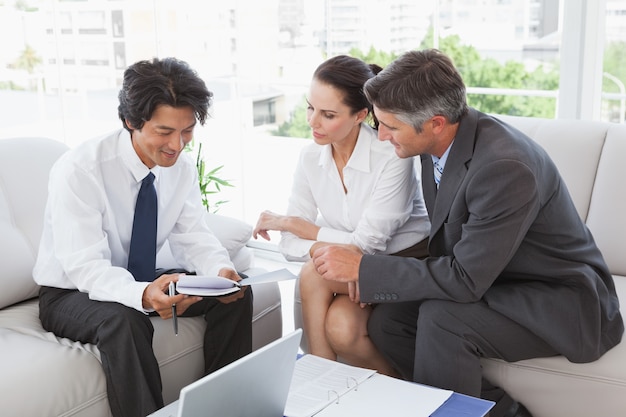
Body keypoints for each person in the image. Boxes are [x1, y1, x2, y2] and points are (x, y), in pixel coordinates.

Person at [310, 49, 624, 417]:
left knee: (443, 320)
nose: (381, 137)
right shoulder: (434, 143)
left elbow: (465, 279)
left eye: (390, 127)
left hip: (561, 301)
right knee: (390, 322)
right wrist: (377, 277)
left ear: (436, 123)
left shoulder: (505, 168)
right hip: (500, 280)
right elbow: (451, 246)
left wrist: (365, 269)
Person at [33, 57, 253, 417]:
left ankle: (225, 408)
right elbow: (84, 266)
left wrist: (220, 270)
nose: (177, 145)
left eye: (187, 131)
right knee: (125, 320)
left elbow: (193, 234)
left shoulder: (178, 169)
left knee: (235, 292)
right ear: (130, 121)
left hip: (134, 280)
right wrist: (143, 295)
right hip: (70, 292)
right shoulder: (80, 170)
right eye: (164, 132)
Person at [252, 55, 430, 375]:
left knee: (313, 273)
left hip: (404, 263)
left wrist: (299, 225)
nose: (312, 121)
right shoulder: (310, 158)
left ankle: (318, 378)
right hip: (350, 267)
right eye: (310, 108)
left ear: (361, 114)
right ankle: (366, 393)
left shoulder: (391, 157)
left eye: (328, 114)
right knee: (342, 328)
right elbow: (289, 245)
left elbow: (367, 244)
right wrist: (322, 244)